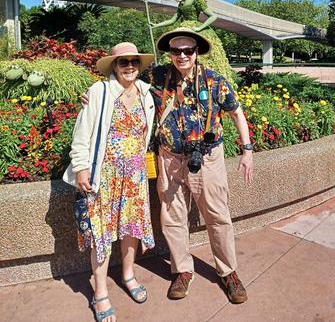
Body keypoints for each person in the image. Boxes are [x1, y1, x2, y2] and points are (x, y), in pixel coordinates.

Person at [150, 27, 253, 304]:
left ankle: (228, 272)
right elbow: (126, 79)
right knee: (172, 217)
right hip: (170, 158)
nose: (182, 55)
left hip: (206, 157)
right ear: (170, 53)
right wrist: (97, 93)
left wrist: (247, 150)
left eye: (187, 50)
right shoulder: (159, 77)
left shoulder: (214, 81)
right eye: (176, 51)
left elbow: (236, 113)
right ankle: (182, 270)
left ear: (196, 52)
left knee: (217, 215)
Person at [63, 42, 155, 322]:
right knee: (100, 233)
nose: (129, 66)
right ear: (114, 66)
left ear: (140, 66)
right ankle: (100, 292)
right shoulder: (99, 92)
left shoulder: (147, 94)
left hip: (136, 175)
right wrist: (81, 168)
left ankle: (128, 275)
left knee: (132, 228)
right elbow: (82, 134)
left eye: (134, 62)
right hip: (104, 175)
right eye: (123, 62)